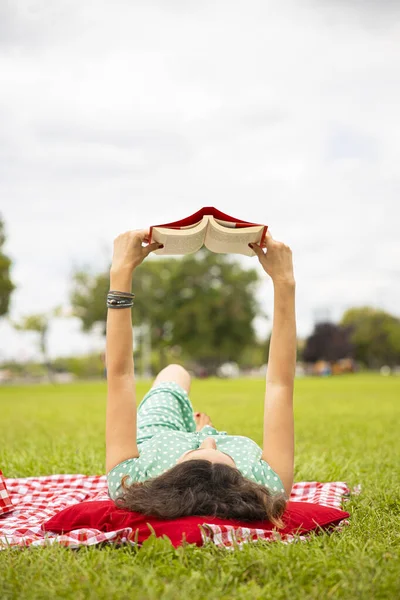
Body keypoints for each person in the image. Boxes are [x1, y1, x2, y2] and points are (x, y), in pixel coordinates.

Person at [105, 228, 296, 526]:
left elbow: (120, 376)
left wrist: (121, 271)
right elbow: (280, 385)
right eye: (220, 451)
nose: (209, 442)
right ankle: (199, 429)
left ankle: (190, 430)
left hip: (159, 438)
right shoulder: (269, 487)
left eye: (195, 449)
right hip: (200, 463)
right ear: (242, 482)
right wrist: (284, 282)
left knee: (175, 372)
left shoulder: (132, 481)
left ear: (167, 478)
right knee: (201, 421)